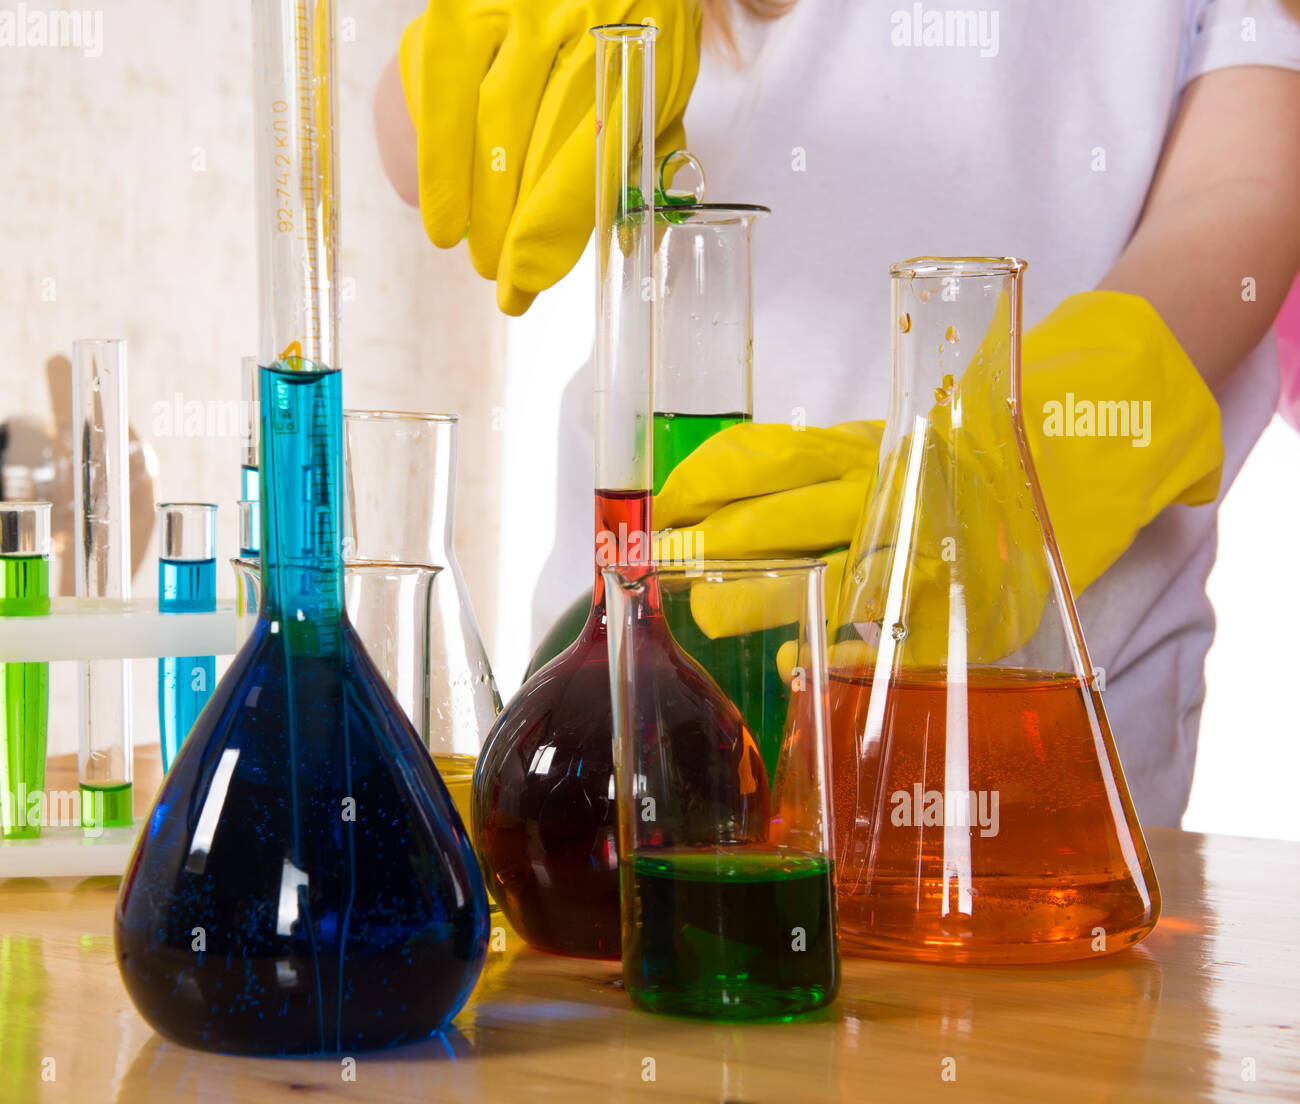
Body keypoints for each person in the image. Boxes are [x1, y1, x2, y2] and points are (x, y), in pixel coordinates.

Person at [376, 0, 1300, 827]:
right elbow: (424, 139)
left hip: (1030, 708)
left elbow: (1245, 187)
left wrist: (1030, 446)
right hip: (641, 705)